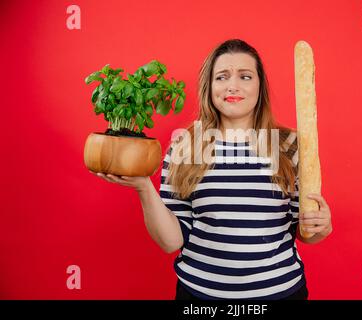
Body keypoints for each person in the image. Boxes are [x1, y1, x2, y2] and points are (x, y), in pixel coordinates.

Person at [91, 39, 332, 300]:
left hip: (281, 293)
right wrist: (143, 186)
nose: (233, 86)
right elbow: (171, 241)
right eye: (222, 76)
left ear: (260, 87)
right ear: (210, 86)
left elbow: (305, 232)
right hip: (200, 297)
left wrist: (321, 227)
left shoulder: (291, 146)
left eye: (245, 76)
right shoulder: (184, 146)